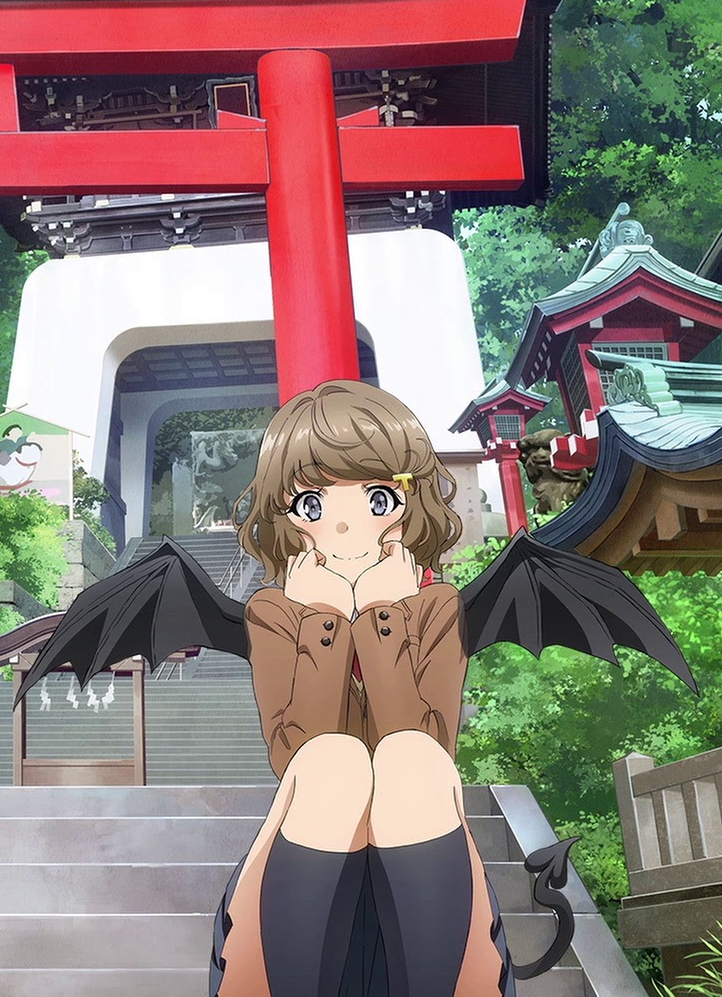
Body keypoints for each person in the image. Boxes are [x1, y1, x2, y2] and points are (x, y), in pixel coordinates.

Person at [210, 380, 511, 997]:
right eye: (312, 503)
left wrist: (380, 613)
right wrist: (323, 619)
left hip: (422, 848)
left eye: (377, 497)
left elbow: (430, 738)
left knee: (409, 757)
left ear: (407, 504)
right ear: (287, 517)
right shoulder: (274, 613)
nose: (345, 522)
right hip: (314, 849)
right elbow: (294, 747)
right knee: (334, 760)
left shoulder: (434, 607)